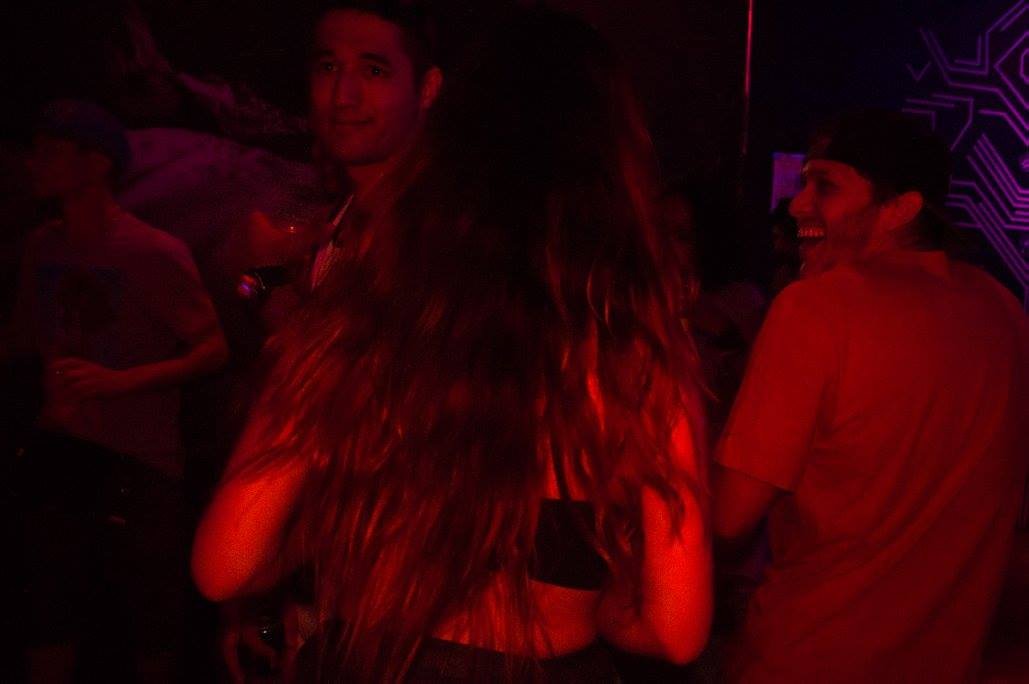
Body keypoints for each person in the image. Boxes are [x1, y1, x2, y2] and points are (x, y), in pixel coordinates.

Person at [193, 8, 712, 682]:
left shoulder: (365, 309)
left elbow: (224, 566)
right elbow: (676, 632)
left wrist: (344, 532)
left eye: (371, 70)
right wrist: (610, 606)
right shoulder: (637, 357)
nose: (344, 92)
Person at [713, 109, 1028, 682]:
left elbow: (730, 517)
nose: (798, 205)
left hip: (808, 659)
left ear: (900, 209)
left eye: (825, 186)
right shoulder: (1004, 313)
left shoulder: (816, 310)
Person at [10, 99, 228, 682]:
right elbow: (27, 338)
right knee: (47, 613)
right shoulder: (43, 246)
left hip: (138, 461)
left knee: (149, 623)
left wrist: (121, 381)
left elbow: (212, 349)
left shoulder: (150, 251)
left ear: (96, 163)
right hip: (62, 448)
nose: (33, 162)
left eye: (50, 151)